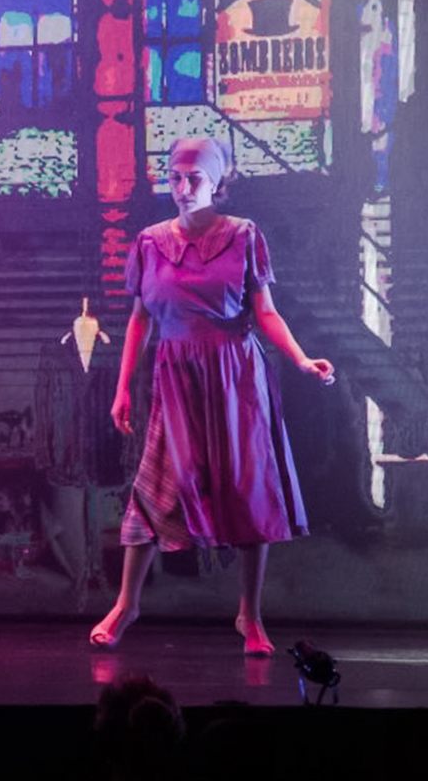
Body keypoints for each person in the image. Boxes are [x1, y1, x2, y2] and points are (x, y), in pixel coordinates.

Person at [89, 138, 334, 657]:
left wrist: (300, 358)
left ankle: (250, 614)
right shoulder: (149, 242)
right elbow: (139, 320)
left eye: (194, 178)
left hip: (235, 375)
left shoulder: (243, 236)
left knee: (249, 491)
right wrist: (122, 389)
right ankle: (127, 604)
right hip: (176, 377)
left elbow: (265, 311)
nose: (181, 188)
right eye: (174, 177)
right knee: (154, 489)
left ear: (218, 181)